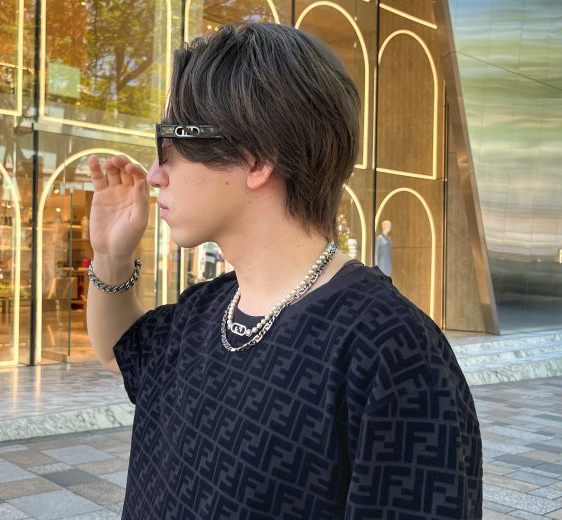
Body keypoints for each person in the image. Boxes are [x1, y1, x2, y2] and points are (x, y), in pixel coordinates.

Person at [87, 23, 482, 519]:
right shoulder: (205, 308)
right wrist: (111, 255)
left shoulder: (391, 350)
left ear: (257, 160)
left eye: (171, 142)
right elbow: (118, 350)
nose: (154, 173)